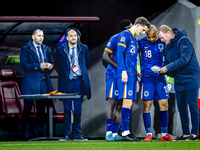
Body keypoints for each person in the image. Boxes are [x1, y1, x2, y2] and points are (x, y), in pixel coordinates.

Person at [157, 25, 200, 141]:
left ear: (168, 34)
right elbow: (167, 63)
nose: (161, 41)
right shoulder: (167, 47)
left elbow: (183, 59)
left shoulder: (183, 41)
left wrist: (167, 68)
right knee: (181, 107)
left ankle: (195, 133)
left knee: (192, 105)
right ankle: (186, 133)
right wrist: (161, 70)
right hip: (179, 79)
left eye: (162, 38)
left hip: (191, 78)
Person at [137, 25, 174, 141]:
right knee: (147, 105)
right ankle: (149, 134)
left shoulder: (162, 41)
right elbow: (131, 56)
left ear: (157, 34)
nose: (152, 39)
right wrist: (135, 70)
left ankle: (164, 134)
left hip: (160, 77)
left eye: (153, 37)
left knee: (164, 104)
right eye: (149, 37)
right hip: (147, 78)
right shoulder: (141, 42)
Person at [54, 28, 91, 141]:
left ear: (77, 37)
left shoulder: (84, 48)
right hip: (67, 82)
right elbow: (57, 66)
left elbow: (87, 64)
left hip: (79, 82)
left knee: (78, 109)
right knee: (67, 109)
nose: (73, 37)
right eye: (71, 36)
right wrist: (65, 75)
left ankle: (77, 134)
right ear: (67, 37)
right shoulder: (60, 50)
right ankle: (66, 134)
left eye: (75, 35)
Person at [117, 16, 150, 141]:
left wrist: (136, 78)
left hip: (132, 75)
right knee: (126, 102)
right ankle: (124, 133)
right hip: (125, 74)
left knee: (129, 103)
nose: (142, 33)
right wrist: (123, 71)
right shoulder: (125, 34)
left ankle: (127, 132)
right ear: (138, 25)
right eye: (143, 30)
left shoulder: (134, 39)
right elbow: (119, 53)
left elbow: (132, 60)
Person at [20, 29, 54, 141]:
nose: (41, 38)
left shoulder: (46, 49)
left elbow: (51, 62)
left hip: (43, 83)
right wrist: (39, 65)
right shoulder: (25, 49)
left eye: (42, 36)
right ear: (33, 36)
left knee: (41, 110)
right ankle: (25, 135)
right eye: (39, 36)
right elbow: (24, 65)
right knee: (27, 109)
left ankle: (41, 134)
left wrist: (50, 66)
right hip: (30, 84)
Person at [102, 19, 132, 141]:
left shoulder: (132, 40)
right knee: (112, 102)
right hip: (113, 74)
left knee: (121, 104)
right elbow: (105, 56)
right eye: (129, 27)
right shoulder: (115, 38)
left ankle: (115, 133)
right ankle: (108, 132)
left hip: (126, 75)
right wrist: (120, 68)